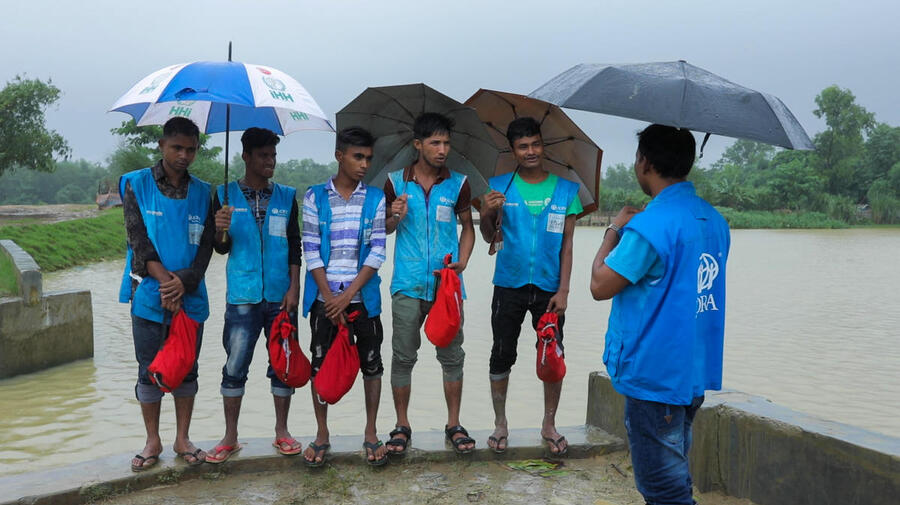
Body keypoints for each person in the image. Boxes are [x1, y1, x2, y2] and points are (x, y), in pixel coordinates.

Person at [589, 124, 730, 505]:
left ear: (645, 162)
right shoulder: (713, 220)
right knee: (676, 469)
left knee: (663, 488)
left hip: (655, 375)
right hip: (693, 371)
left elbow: (600, 285)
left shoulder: (650, 226)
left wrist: (613, 230)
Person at [478, 117, 581, 455]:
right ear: (513, 150)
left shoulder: (566, 190)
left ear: (543, 146)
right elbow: (489, 237)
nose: (531, 151)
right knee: (501, 354)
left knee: (552, 356)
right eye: (523, 146)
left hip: (550, 290)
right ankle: (500, 423)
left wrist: (564, 289)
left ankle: (549, 423)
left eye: (535, 144)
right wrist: (488, 213)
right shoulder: (498, 187)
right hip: (508, 284)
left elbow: (567, 246)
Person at [118, 116, 214, 471]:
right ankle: (152, 440)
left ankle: (183, 438)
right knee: (149, 371)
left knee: (187, 369)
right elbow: (138, 241)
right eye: (177, 147)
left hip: (190, 297)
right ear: (161, 145)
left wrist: (183, 283)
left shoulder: (205, 192)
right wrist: (166, 282)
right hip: (150, 297)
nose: (184, 155)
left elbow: (206, 247)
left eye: (191, 149)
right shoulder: (137, 185)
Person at [205, 127, 303, 464]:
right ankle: (230, 436)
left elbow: (295, 248)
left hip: (281, 297)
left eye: (273, 155)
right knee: (235, 366)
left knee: (283, 365)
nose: (270, 161)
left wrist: (295, 289)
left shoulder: (287, 197)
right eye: (263, 155)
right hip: (242, 296)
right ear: (245, 156)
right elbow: (221, 249)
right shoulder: (224, 196)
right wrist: (220, 229)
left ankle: (282, 431)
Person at [383, 112, 476, 455]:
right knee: (403, 357)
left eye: (446, 143)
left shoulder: (458, 183)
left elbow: (468, 226)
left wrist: (463, 260)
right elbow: (386, 231)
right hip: (407, 283)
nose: (442, 149)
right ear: (417, 144)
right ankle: (401, 426)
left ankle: (454, 424)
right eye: (435, 142)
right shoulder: (395, 183)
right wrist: (394, 215)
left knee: (452, 356)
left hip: (447, 285)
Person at [301, 127, 388, 466]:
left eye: (368, 158)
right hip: (325, 298)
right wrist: (328, 297)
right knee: (320, 365)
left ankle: (370, 431)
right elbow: (311, 251)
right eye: (358, 157)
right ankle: (322, 433)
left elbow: (377, 252)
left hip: (362, 299)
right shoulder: (314, 197)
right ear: (339, 156)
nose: (364, 164)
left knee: (371, 364)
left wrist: (347, 295)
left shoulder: (376, 198)